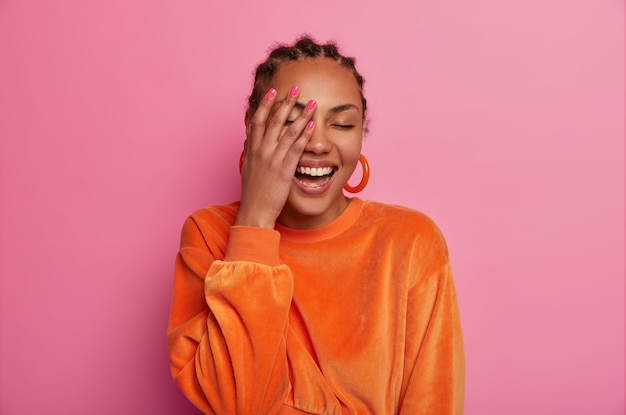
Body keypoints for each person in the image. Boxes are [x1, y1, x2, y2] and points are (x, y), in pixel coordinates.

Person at [167, 35, 465, 415]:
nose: (318, 143)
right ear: (253, 127)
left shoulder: (411, 242)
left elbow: (434, 402)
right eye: (292, 123)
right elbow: (239, 403)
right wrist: (256, 220)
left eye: (341, 123)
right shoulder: (208, 235)